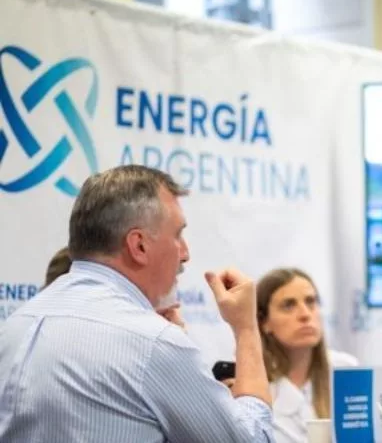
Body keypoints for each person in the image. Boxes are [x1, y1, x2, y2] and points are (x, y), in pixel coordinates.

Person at [0, 165, 275, 443]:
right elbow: (253, 439)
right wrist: (246, 329)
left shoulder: (15, 326)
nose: (185, 254)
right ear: (139, 245)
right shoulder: (153, 343)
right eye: (177, 235)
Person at [251, 267, 357, 443]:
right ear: (264, 322)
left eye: (311, 302)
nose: (305, 314)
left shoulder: (346, 371)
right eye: (288, 305)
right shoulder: (250, 385)